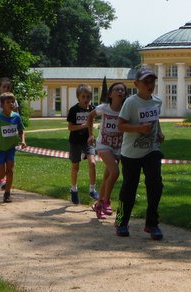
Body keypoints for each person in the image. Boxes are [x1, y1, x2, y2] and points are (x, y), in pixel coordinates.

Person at [114, 67, 165, 240]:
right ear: (136, 84)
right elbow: (120, 125)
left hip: (152, 150)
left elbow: (155, 119)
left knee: (156, 185)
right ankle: (121, 221)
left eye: (152, 81)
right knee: (129, 188)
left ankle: (152, 224)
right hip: (131, 153)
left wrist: (159, 132)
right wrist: (139, 128)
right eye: (146, 82)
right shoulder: (131, 102)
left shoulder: (157, 101)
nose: (150, 85)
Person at [87, 82, 126, 219]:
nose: (120, 91)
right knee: (115, 172)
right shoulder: (104, 108)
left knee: (106, 177)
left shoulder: (125, 110)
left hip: (118, 147)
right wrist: (91, 134)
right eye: (116, 89)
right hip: (103, 145)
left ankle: (98, 205)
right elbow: (90, 116)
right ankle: (106, 201)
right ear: (110, 94)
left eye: (122, 90)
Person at [0, 92, 26, 203]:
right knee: (1, 174)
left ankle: (7, 193)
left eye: (12, 102)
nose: (11, 104)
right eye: (8, 102)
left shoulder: (16, 117)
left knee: (10, 171)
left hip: (11, 148)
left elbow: (21, 130)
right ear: (2, 105)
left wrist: (22, 141)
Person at [66, 84, 98, 205]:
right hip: (75, 141)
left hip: (88, 140)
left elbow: (95, 121)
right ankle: (74, 189)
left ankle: (92, 189)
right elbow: (70, 127)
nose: (86, 99)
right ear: (78, 97)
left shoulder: (93, 109)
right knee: (75, 167)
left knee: (92, 162)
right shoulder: (74, 110)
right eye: (83, 96)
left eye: (89, 96)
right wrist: (83, 125)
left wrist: (92, 134)